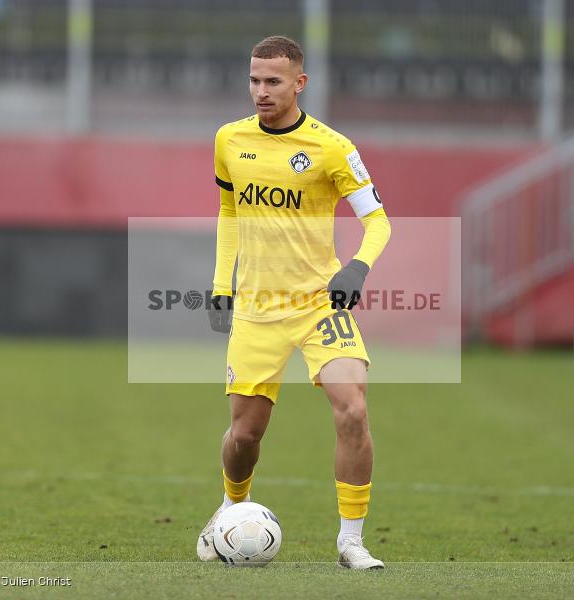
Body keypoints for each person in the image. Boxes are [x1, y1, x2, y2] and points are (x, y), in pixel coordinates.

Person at [199, 35, 391, 569]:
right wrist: (221, 285)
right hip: (257, 308)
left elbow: (377, 221)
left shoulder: (332, 147)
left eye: (273, 81)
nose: (261, 91)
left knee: (352, 408)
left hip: (319, 304)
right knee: (245, 435)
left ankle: (351, 542)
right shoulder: (229, 140)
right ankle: (229, 516)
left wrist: (357, 266)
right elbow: (229, 212)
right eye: (255, 80)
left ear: (299, 83)